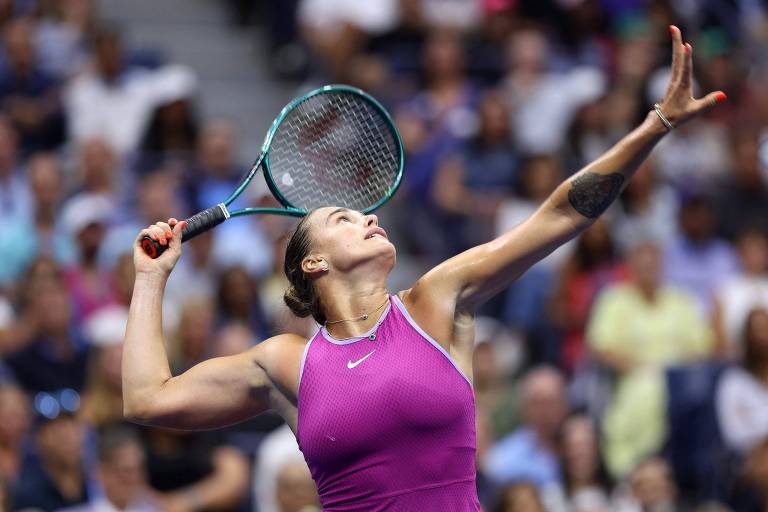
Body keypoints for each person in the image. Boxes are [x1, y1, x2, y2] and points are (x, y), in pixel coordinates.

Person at [122, 27, 725, 510]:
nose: (368, 219)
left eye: (365, 214)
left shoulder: (436, 302)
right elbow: (148, 399)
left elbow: (560, 215)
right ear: (314, 261)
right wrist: (151, 280)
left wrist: (656, 126)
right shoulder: (286, 364)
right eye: (343, 218)